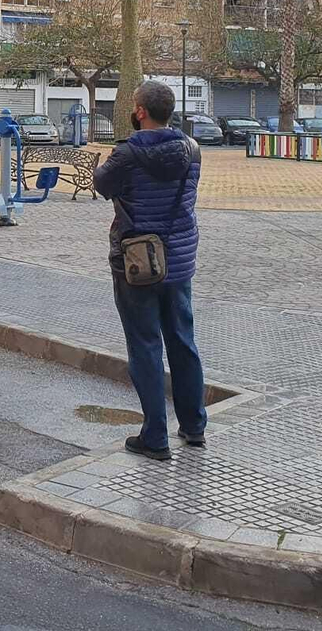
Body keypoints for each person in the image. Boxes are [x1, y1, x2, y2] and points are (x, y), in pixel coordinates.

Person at [92, 80, 205, 461]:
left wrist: (103, 162)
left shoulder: (126, 153)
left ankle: (154, 436)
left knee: (145, 345)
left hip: (137, 261)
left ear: (140, 111)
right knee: (183, 341)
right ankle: (194, 427)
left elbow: (103, 185)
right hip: (179, 259)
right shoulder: (192, 150)